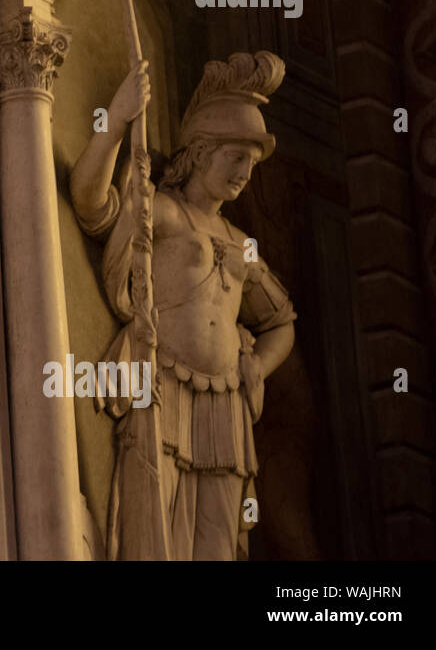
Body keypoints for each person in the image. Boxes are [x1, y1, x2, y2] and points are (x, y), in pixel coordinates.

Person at [70, 51, 296, 559]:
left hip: (225, 406)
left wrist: (257, 365)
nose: (245, 173)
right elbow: (90, 200)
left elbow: (282, 320)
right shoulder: (162, 212)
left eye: (252, 164)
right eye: (235, 157)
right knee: (153, 530)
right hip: (164, 388)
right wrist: (119, 116)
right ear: (199, 151)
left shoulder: (241, 243)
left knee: (216, 542)